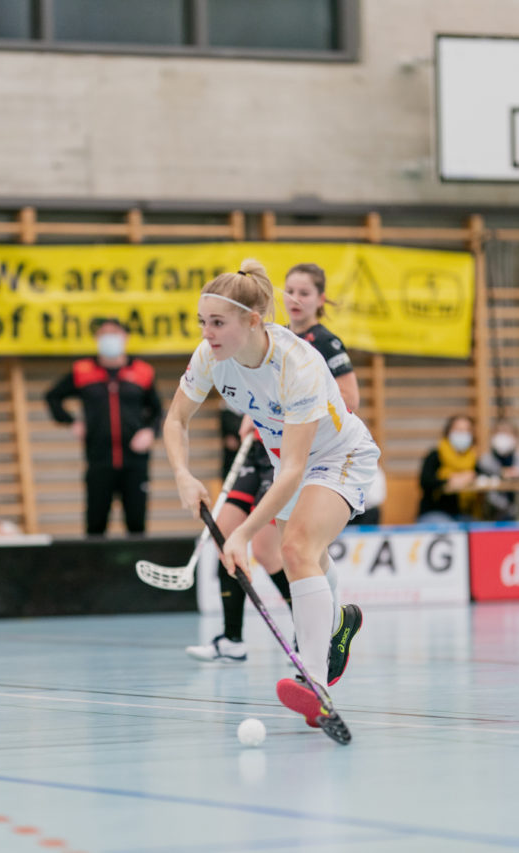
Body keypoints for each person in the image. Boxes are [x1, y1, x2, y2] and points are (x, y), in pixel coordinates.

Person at [164, 259, 378, 729]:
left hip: (338, 455)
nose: (207, 333)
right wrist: (182, 473)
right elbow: (176, 419)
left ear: (252, 321)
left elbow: (296, 469)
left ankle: (314, 681)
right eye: (202, 322)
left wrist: (241, 534)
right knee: (309, 556)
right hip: (288, 460)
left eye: (217, 323)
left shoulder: (298, 364)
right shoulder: (210, 357)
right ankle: (340, 622)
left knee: (296, 548)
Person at [186, 262, 359, 664]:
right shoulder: (264, 337)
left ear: (320, 299)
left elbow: (348, 400)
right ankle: (233, 638)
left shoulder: (320, 345)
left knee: (276, 549)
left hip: (306, 451)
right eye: (290, 291)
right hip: (264, 449)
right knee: (226, 533)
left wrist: (287, 414)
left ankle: (313, 634)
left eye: (304, 293)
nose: (295, 299)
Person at [45, 318, 163, 535]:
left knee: (136, 524)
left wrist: (150, 432)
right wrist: (71, 421)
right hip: (99, 460)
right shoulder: (82, 370)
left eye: (114, 333)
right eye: (104, 333)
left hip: (135, 462)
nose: (109, 338)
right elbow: (52, 397)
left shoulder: (142, 371)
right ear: (97, 339)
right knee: (96, 525)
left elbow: (157, 411)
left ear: (125, 337)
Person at [476, 419, 519, 521]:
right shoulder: (485, 461)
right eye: (499, 433)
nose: (503, 437)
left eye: (507, 433)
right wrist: (501, 474)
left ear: (516, 438)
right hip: (495, 514)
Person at [417, 415, 479, 523]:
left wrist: (471, 476)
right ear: (448, 432)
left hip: (462, 513)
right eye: (458, 430)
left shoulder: (472, 458)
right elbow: (425, 482)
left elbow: (483, 475)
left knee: (479, 526)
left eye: (466, 430)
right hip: (435, 511)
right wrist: (450, 480)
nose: (462, 434)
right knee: (449, 527)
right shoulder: (436, 455)